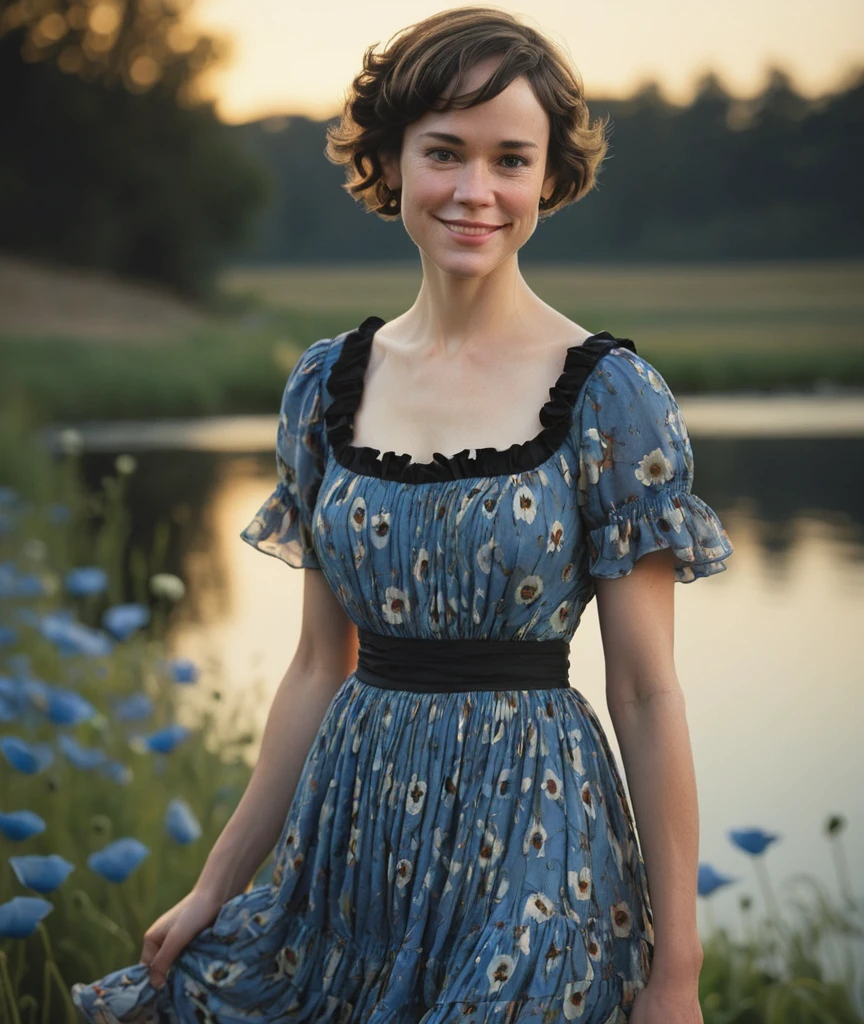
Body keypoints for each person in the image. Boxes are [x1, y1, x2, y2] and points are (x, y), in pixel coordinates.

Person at [71, 7, 734, 1022]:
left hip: (536, 837)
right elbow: (312, 667)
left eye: (511, 159)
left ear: (551, 177)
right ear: (390, 161)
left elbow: (646, 693)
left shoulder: (610, 394)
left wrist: (676, 970)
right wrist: (216, 883)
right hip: (354, 848)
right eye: (444, 154)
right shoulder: (326, 384)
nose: (476, 191)